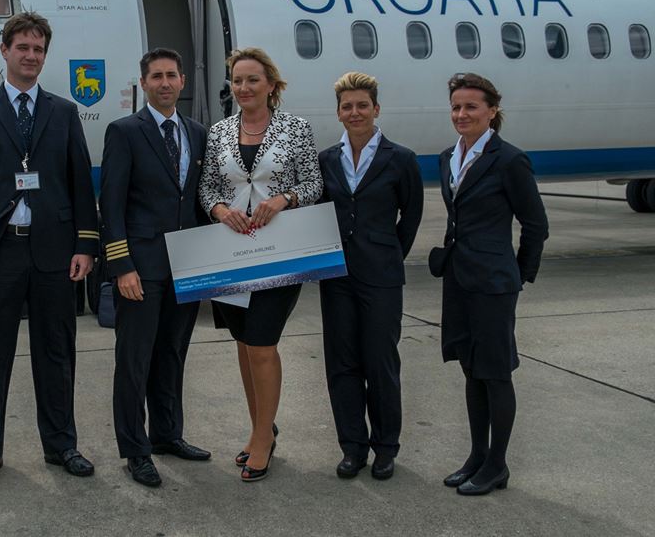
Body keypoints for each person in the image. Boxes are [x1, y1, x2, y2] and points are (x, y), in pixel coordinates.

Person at [0, 12, 99, 488]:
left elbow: (80, 182)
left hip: (54, 252)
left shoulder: (64, 111)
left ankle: (61, 445)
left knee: (56, 355)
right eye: (23, 48)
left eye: (38, 50)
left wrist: (86, 245)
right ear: (5, 51)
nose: (31, 56)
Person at [199, 47, 322, 482]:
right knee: (243, 342)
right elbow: (207, 188)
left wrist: (284, 199)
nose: (244, 87)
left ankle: (263, 441)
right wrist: (219, 210)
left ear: (271, 84)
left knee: (263, 343)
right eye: (237, 80)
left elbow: (314, 182)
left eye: (252, 79)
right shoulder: (219, 132)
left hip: (279, 250)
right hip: (232, 252)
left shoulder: (296, 128)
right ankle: (260, 429)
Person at [428, 72, 549, 495]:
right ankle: (477, 456)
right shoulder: (448, 156)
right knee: (470, 369)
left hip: (494, 283)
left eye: (471, 107)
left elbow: (535, 224)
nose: (461, 114)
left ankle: (498, 464)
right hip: (459, 279)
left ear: (492, 111)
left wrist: (518, 274)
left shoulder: (509, 160)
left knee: (495, 373)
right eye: (456, 107)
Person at [100, 48, 211, 488]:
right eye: (156, 76)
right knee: (134, 360)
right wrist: (121, 265)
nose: (165, 83)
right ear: (143, 83)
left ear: (183, 81)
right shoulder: (125, 131)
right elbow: (111, 203)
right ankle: (135, 449)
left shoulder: (197, 133)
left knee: (172, 354)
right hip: (141, 268)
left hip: (186, 265)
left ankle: (167, 434)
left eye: (171, 75)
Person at [317, 72, 423, 481]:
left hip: (381, 276)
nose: (355, 112)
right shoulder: (327, 159)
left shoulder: (401, 159)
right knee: (342, 362)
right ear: (338, 113)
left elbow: (410, 216)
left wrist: (389, 254)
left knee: (380, 362)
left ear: (376, 109)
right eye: (347, 106)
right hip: (337, 275)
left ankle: (385, 447)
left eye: (362, 105)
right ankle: (352, 447)